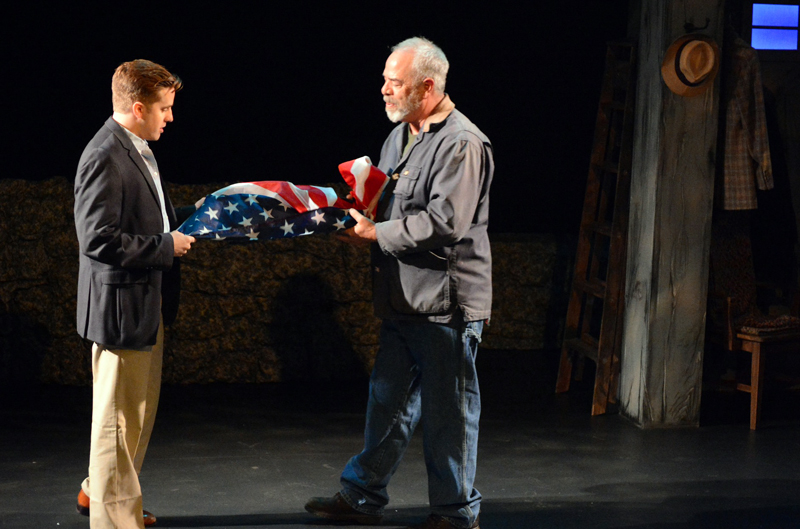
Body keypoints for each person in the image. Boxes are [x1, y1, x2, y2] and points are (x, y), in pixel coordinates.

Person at [305, 37, 494, 529]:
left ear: (428, 86)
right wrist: (356, 219)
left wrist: (378, 233)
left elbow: (446, 221)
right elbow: (387, 204)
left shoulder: (462, 143)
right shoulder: (401, 136)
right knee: (386, 401)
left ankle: (455, 514)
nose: (384, 89)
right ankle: (362, 494)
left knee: (448, 415)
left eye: (396, 82)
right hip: (403, 297)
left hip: (445, 305)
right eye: (386, 79)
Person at [73, 59, 195, 529]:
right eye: (164, 108)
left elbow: (145, 219)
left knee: (133, 420)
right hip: (122, 310)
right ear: (139, 107)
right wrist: (165, 246)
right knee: (117, 425)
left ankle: (102, 494)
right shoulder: (104, 154)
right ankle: (112, 519)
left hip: (145, 304)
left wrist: (194, 215)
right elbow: (97, 239)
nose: (170, 117)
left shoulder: (136, 146)